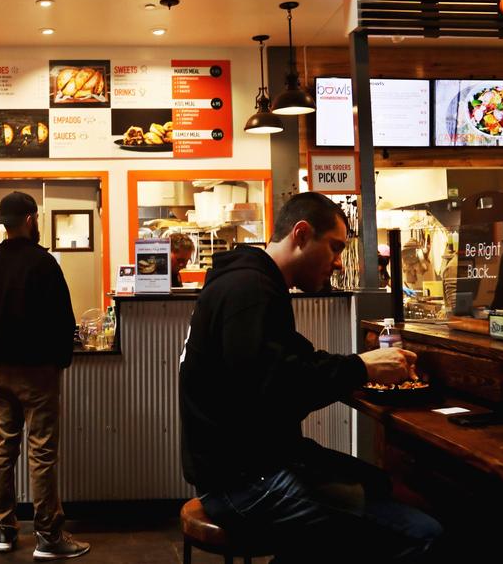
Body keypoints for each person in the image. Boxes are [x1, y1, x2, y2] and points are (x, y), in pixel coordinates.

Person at [179, 192, 443, 562]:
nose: (337, 263)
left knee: (380, 484)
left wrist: (361, 364)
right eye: (334, 248)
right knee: (423, 533)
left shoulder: (250, 282)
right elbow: (275, 387)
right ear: (301, 235)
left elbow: (291, 361)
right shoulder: (250, 290)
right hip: (243, 485)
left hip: (240, 470)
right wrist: (361, 368)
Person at [0, 192, 90, 560]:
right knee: (41, 453)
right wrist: (60, 360)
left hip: (1, 371)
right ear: (29, 219)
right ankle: (48, 536)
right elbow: (64, 320)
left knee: (3, 448)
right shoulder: (44, 264)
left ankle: (4, 530)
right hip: (38, 373)